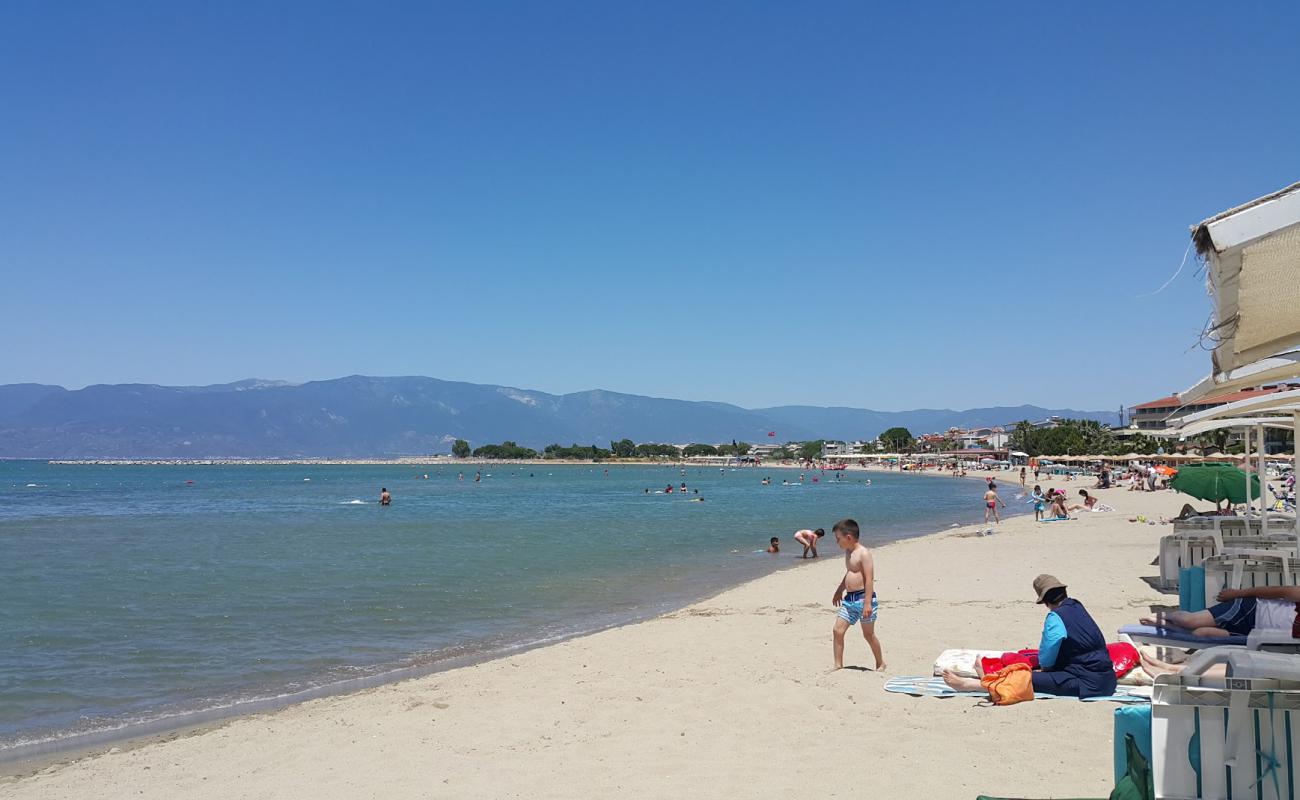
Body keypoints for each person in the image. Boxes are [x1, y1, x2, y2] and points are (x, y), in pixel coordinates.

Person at [942, 575, 1116, 699]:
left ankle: (973, 685)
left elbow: (1050, 648)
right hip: (1107, 678)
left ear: (1046, 601)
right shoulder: (1077, 606)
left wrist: (1046, 668)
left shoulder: (1055, 617)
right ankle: (985, 679)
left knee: (1026, 678)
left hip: (1087, 682)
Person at [1139, 585, 1300, 638]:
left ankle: (1164, 624)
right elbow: (1279, 591)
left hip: (1253, 635)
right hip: (1251, 609)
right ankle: (1167, 616)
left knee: (1200, 633)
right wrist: (1237, 593)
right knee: (1190, 621)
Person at [830, 518, 885, 671]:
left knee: (868, 634)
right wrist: (840, 589)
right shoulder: (848, 552)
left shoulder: (864, 554)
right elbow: (850, 572)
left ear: (848, 537)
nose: (837, 542)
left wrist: (867, 603)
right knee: (837, 630)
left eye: (838, 538)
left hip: (863, 599)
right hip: (849, 600)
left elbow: (869, 579)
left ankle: (880, 663)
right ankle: (838, 665)